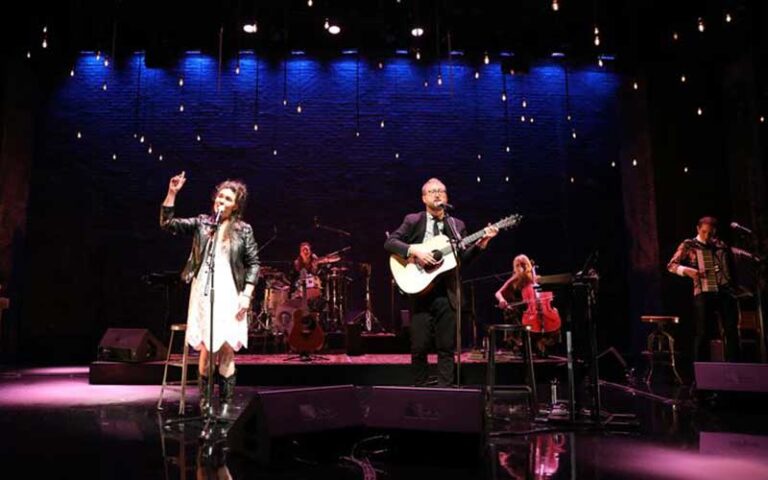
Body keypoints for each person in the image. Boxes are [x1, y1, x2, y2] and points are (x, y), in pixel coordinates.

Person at [160, 171, 259, 413]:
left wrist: (246, 295)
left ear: (236, 206)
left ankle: (225, 404)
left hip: (230, 293)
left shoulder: (243, 230)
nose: (221, 202)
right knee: (206, 345)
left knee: (225, 346)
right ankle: (205, 403)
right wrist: (172, 193)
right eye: (219, 197)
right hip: (203, 291)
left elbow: (254, 263)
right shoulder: (203, 223)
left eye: (227, 199)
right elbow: (168, 224)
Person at [384, 178, 498, 386]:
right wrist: (414, 250)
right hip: (420, 292)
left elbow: (460, 260)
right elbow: (390, 242)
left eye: (441, 192)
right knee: (419, 347)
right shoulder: (413, 220)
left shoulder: (456, 225)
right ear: (424, 197)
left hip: (447, 293)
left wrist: (482, 244)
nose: (437, 194)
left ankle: (446, 393)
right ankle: (420, 391)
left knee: (446, 347)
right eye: (432, 191)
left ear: (446, 198)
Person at [667, 216, 740, 362]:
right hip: (703, 292)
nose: (707, 237)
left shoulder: (721, 246)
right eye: (704, 232)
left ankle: (735, 369)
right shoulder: (689, 244)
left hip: (725, 291)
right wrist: (688, 271)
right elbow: (671, 266)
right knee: (703, 333)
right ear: (698, 229)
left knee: (732, 331)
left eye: (711, 234)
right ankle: (702, 372)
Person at [494, 254, 558, 356]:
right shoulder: (515, 278)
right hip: (521, 309)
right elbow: (498, 293)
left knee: (553, 315)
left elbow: (545, 294)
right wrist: (502, 300)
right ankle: (520, 344)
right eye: (518, 265)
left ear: (528, 264)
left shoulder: (535, 278)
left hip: (535, 308)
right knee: (510, 312)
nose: (521, 267)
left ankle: (542, 342)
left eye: (523, 264)